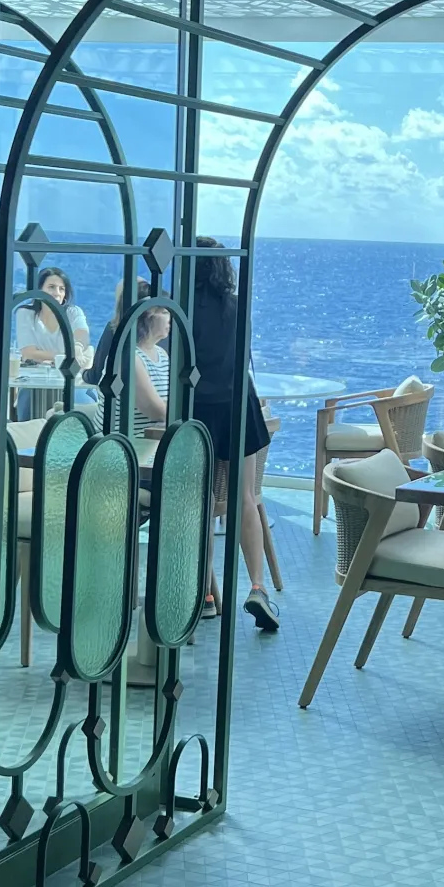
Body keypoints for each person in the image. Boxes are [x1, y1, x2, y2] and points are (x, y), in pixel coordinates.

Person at [190, 236, 278, 631]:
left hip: (198, 410)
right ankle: (258, 587)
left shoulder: (182, 309)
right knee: (246, 499)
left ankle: (206, 595)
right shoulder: (237, 306)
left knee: (202, 504)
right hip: (239, 404)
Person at [93, 281, 171, 440]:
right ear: (146, 315)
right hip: (123, 446)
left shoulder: (161, 354)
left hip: (152, 441)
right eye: (164, 312)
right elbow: (156, 411)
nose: (170, 318)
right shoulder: (129, 357)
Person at [15, 267, 92, 368]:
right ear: (39, 289)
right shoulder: (25, 313)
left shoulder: (73, 312)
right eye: (51, 287)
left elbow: (83, 335)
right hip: (37, 375)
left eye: (61, 289)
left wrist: (78, 347)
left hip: (69, 374)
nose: (57, 293)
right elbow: (28, 354)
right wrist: (68, 357)